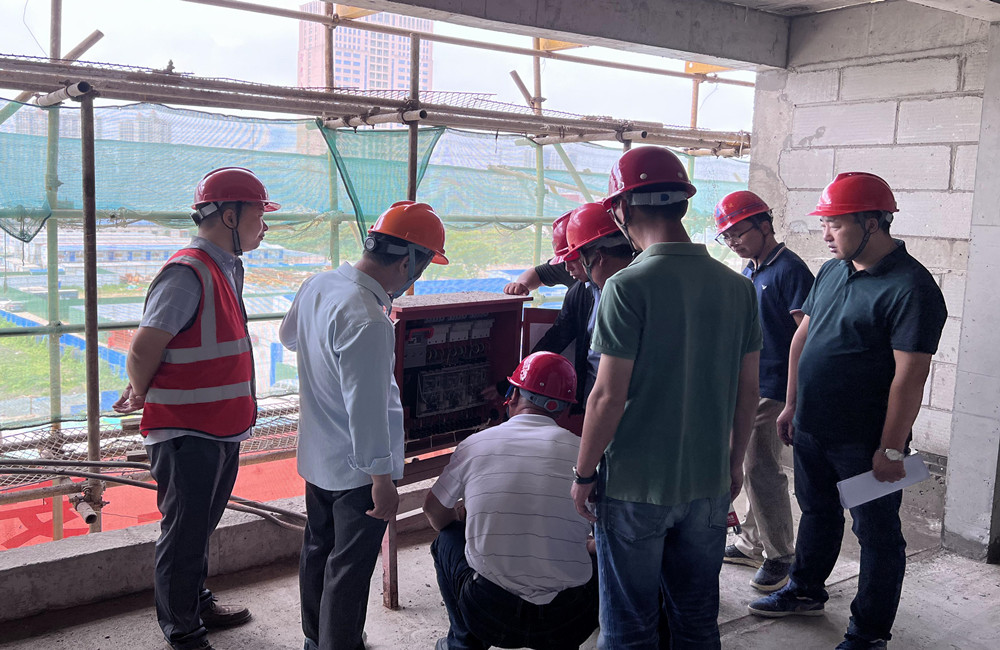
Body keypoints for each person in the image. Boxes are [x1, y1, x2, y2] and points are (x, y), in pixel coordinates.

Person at [570, 146, 762, 649]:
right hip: (708, 480)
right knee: (696, 619)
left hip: (634, 485)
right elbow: (748, 390)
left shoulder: (626, 287)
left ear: (622, 208)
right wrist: (734, 462)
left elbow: (607, 397)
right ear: (682, 202)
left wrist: (584, 474)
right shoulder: (738, 288)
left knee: (629, 626)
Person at [748, 173, 947, 650]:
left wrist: (891, 449)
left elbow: (910, 376)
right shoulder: (833, 271)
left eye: (835, 224)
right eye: (825, 224)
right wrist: (792, 403)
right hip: (812, 428)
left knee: (877, 534)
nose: (825, 234)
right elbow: (803, 336)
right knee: (817, 511)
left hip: (864, 441)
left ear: (872, 222)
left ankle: (869, 632)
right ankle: (805, 590)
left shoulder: (911, 287)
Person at [113, 167, 278, 650]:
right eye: (258, 215)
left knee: (199, 527)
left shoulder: (224, 267)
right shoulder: (187, 272)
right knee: (184, 533)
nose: (264, 225)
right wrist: (139, 390)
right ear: (229, 216)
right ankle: (183, 630)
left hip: (218, 425)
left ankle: (195, 602)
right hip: (187, 430)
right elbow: (144, 348)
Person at [279, 200, 448, 650]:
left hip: (317, 456)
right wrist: (382, 482)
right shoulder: (370, 319)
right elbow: (368, 411)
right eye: (423, 266)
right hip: (359, 472)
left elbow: (288, 337)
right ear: (408, 261)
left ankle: (317, 638)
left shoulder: (319, 284)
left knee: (318, 550)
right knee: (349, 568)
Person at [424, 351, 599, 650]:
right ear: (564, 408)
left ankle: (463, 644)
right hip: (569, 620)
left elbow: (433, 510)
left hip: (489, 615)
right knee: (601, 555)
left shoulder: (475, 444)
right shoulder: (586, 456)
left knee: (446, 539)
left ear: (513, 395)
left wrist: (466, 524)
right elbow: (613, 534)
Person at [715, 191, 815, 592]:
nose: (733, 241)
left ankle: (780, 555)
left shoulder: (790, 270)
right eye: (727, 236)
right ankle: (753, 541)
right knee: (752, 466)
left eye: (739, 232)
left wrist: (794, 398)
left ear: (765, 225)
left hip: (774, 388)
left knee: (760, 469)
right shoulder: (751, 271)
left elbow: (807, 336)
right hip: (751, 384)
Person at [531, 203, 629, 415]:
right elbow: (556, 338)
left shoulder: (640, 289)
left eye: (573, 259)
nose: (567, 268)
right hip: (595, 398)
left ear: (598, 255)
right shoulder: (580, 293)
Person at [503, 212, 578, 295]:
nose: (568, 268)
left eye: (574, 258)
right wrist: (522, 284)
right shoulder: (566, 265)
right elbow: (537, 274)